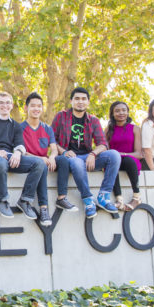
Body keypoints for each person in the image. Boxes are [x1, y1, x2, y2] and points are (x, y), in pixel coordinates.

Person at [0, 92, 48, 222]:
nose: (5, 105)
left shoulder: (15, 125)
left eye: (8, 102)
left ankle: (25, 200)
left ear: (12, 105)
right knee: (1, 163)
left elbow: (20, 145)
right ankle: (3, 200)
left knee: (39, 163)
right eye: (1, 102)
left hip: (9, 157)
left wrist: (17, 153)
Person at [51, 87, 121, 218]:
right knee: (76, 162)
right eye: (77, 98)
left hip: (88, 157)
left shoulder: (93, 120)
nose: (80, 101)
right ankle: (88, 200)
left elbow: (103, 144)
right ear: (71, 101)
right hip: (70, 158)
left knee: (114, 155)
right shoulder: (61, 116)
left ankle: (103, 196)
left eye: (83, 99)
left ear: (88, 102)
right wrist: (64, 151)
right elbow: (51, 139)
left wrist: (93, 154)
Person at [20, 92, 74, 225]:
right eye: (33, 106)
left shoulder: (47, 128)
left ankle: (61, 197)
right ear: (26, 108)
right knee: (41, 164)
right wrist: (42, 158)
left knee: (64, 160)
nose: (36, 109)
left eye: (39, 106)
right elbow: (21, 152)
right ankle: (44, 209)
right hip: (29, 162)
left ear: (42, 108)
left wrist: (53, 157)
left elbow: (54, 148)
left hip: (44, 160)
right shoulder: (19, 128)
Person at [105, 102, 143, 211]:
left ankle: (137, 197)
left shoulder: (135, 128)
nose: (121, 113)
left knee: (127, 160)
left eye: (123, 110)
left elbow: (139, 154)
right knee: (113, 162)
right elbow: (105, 150)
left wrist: (123, 154)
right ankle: (119, 199)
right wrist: (116, 156)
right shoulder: (107, 130)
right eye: (117, 111)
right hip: (114, 161)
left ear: (127, 112)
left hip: (130, 162)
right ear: (112, 114)